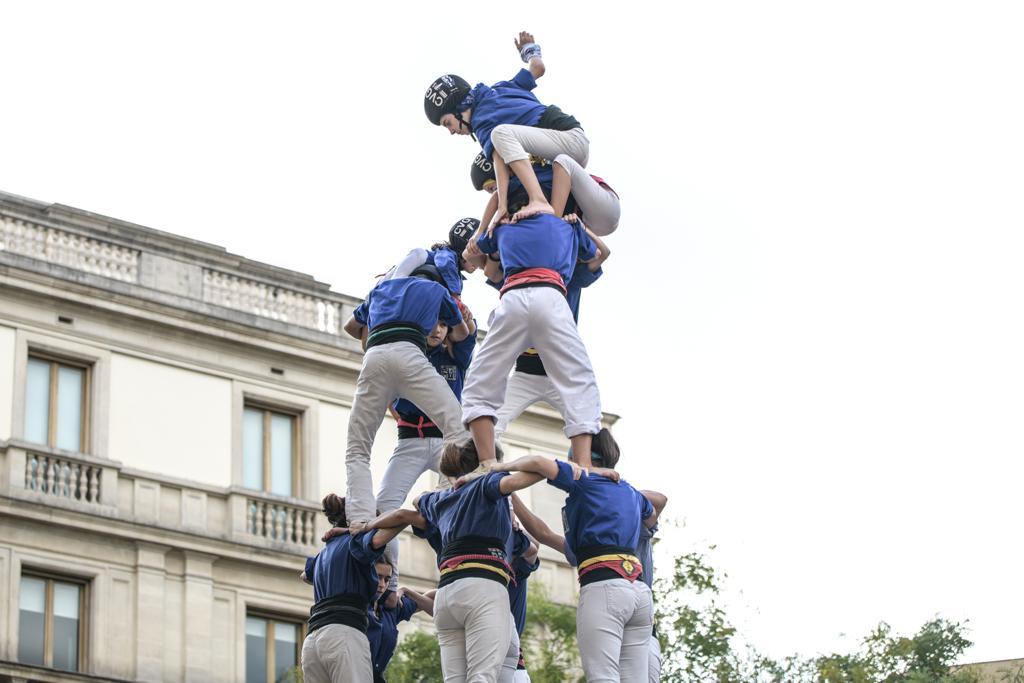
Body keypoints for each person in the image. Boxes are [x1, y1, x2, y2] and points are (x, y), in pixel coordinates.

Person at [364, 440, 562, 682]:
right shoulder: (487, 486)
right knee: (484, 675)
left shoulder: (442, 499)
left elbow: (412, 506)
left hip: (448, 594)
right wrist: (501, 472)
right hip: (483, 586)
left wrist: (367, 526)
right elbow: (539, 470)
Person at [495, 429, 666, 682]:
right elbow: (651, 516)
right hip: (639, 595)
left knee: (603, 677)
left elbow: (538, 463)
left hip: (604, 585)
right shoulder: (629, 492)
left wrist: (497, 468)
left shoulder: (583, 480)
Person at [460, 212, 603, 466]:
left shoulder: (511, 233)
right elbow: (599, 252)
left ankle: (486, 462)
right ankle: (584, 465)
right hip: (529, 366)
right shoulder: (560, 233)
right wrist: (579, 227)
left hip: (527, 315)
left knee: (480, 386)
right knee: (581, 388)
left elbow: (475, 257)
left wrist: (492, 222)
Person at [342, 268, 468, 526]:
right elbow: (461, 333)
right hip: (408, 354)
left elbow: (351, 327)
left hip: (374, 357)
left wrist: (374, 327)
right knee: (458, 425)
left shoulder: (380, 290)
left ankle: (359, 520)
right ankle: (448, 497)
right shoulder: (436, 290)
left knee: (357, 448)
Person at [425, 31, 588, 226]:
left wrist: (502, 206)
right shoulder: (502, 87)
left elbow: (499, 160)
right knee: (552, 219)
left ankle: (537, 199)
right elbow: (538, 67)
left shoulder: (480, 120)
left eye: (447, 123)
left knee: (500, 136)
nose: (451, 131)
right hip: (571, 148)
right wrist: (529, 49)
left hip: (567, 148)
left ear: (459, 109)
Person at [376, 315, 477, 591]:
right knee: (384, 504)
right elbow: (387, 392)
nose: (437, 329)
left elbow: (468, 331)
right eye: (433, 323)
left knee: (452, 506)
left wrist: (457, 308)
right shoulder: (408, 354)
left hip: (447, 442)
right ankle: (390, 583)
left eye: (443, 325)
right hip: (410, 440)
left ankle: (454, 572)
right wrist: (399, 415)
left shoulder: (456, 356)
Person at [300, 494, 408, 683]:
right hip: (344, 635)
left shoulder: (325, 551)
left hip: (312, 642)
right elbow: (402, 517)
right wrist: (368, 527)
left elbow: (305, 576)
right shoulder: (356, 543)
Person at [471, 151, 621, 236]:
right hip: (590, 223)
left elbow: (497, 197)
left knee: (563, 161)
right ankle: (553, 225)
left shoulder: (529, 172)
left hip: (605, 207)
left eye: (492, 187)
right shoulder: (525, 187)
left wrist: (480, 231)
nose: (497, 191)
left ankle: (553, 224)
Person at [366, 555, 436, 683]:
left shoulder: (391, 610)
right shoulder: (356, 607)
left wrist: (406, 590)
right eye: (378, 577)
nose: (382, 584)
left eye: (387, 579)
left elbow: (436, 597)